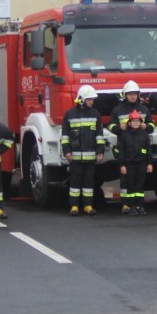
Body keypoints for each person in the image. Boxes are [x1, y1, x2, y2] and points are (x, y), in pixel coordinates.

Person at [108, 80, 155, 213]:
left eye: (135, 94)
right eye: (130, 94)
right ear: (125, 95)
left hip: (140, 150)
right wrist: (119, 127)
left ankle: (138, 205)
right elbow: (110, 125)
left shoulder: (144, 109)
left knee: (139, 182)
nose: (133, 96)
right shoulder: (118, 110)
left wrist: (147, 126)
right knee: (125, 180)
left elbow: (152, 125)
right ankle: (125, 204)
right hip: (125, 149)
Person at [62, 84, 105, 216]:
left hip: (90, 157)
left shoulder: (96, 114)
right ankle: (74, 206)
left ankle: (88, 206)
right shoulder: (70, 114)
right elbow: (65, 136)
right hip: (75, 157)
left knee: (89, 183)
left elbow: (99, 135)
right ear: (81, 99)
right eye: (89, 99)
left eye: (92, 99)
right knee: (74, 183)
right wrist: (67, 151)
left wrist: (100, 151)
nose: (92, 102)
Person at [116, 110, 153, 215]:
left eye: (138, 121)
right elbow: (121, 152)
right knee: (130, 185)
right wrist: (122, 165)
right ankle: (131, 206)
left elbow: (148, 150)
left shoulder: (145, 135)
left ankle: (140, 206)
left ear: (141, 122)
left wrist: (150, 163)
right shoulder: (124, 136)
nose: (136, 123)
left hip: (141, 163)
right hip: (129, 164)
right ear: (129, 123)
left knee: (140, 185)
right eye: (134, 121)